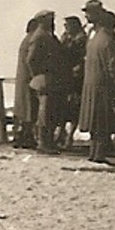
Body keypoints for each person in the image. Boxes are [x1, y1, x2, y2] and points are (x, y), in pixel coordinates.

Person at [80, 0, 115, 164]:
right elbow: (112, 65)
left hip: (90, 83)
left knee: (94, 119)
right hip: (103, 85)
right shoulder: (106, 40)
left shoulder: (93, 38)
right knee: (102, 120)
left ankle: (94, 153)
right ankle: (99, 154)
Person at [24, 10, 66, 153]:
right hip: (45, 79)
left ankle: (47, 141)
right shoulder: (40, 36)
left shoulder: (46, 35)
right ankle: (43, 142)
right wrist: (38, 75)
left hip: (50, 79)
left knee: (49, 111)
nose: (52, 22)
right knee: (45, 112)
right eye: (50, 19)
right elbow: (31, 59)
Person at [12, 14, 45, 148]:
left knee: (25, 109)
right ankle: (25, 137)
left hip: (24, 79)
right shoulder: (33, 40)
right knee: (29, 109)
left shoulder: (26, 39)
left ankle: (22, 136)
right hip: (28, 79)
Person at [57, 15, 88, 147]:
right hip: (65, 75)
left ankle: (69, 135)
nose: (66, 28)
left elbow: (76, 53)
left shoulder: (81, 38)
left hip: (76, 76)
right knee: (63, 107)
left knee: (75, 107)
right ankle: (61, 133)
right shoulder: (66, 37)